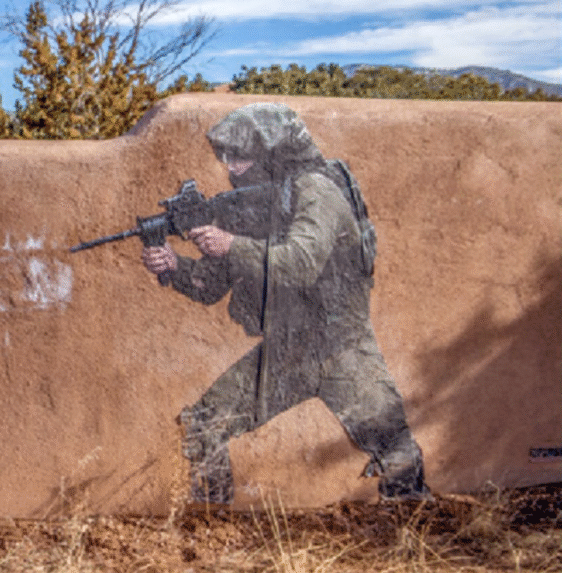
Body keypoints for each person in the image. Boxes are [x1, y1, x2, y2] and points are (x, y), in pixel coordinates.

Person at [141, 103, 430, 505]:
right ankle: (209, 519)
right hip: (287, 351)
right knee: (205, 423)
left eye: (240, 156)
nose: (231, 167)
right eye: (225, 157)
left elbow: (300, 263)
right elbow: (211, 285)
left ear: (275, 152)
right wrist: (174, 267)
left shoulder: (318, 190)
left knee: (395, 451)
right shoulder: (259, 204)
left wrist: (231, 244)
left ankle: (417, 535)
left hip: (342, 350)